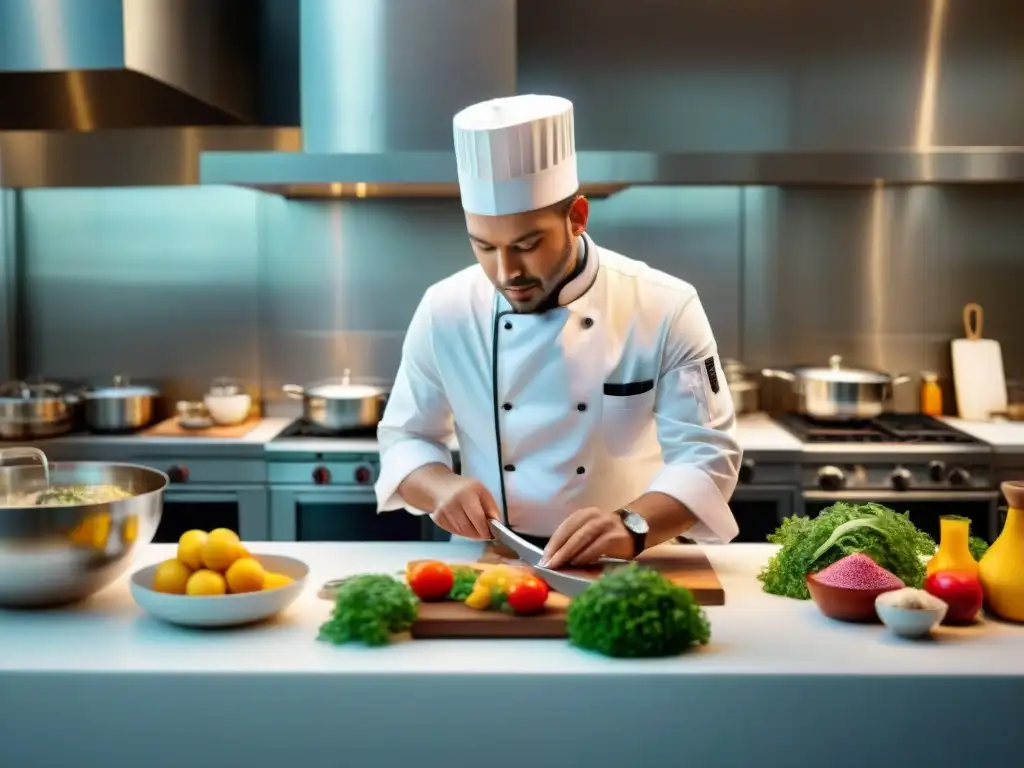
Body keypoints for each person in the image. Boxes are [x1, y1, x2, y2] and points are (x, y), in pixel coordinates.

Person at [374, 94, 742, 569]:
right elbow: (406, 437)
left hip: (631, 564)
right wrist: (440, 485)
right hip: (492, 561)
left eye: (527, 245)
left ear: (577, 218)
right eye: (484, 247)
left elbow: (707, 456)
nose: (506, 271)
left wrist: (629, 526)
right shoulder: (445, 309)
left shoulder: (663, 305)